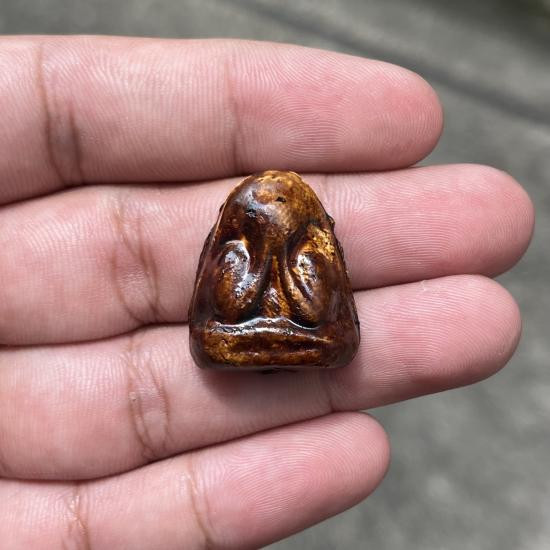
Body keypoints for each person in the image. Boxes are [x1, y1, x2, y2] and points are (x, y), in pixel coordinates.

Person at [0, 36, 534, 549]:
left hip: (300, 331)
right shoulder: (237, 243)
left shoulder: (310, 242)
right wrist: (255, 271)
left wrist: (291, 276)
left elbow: (314, 302)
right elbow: (230, 297)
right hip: (252, 330)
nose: (275, 206)